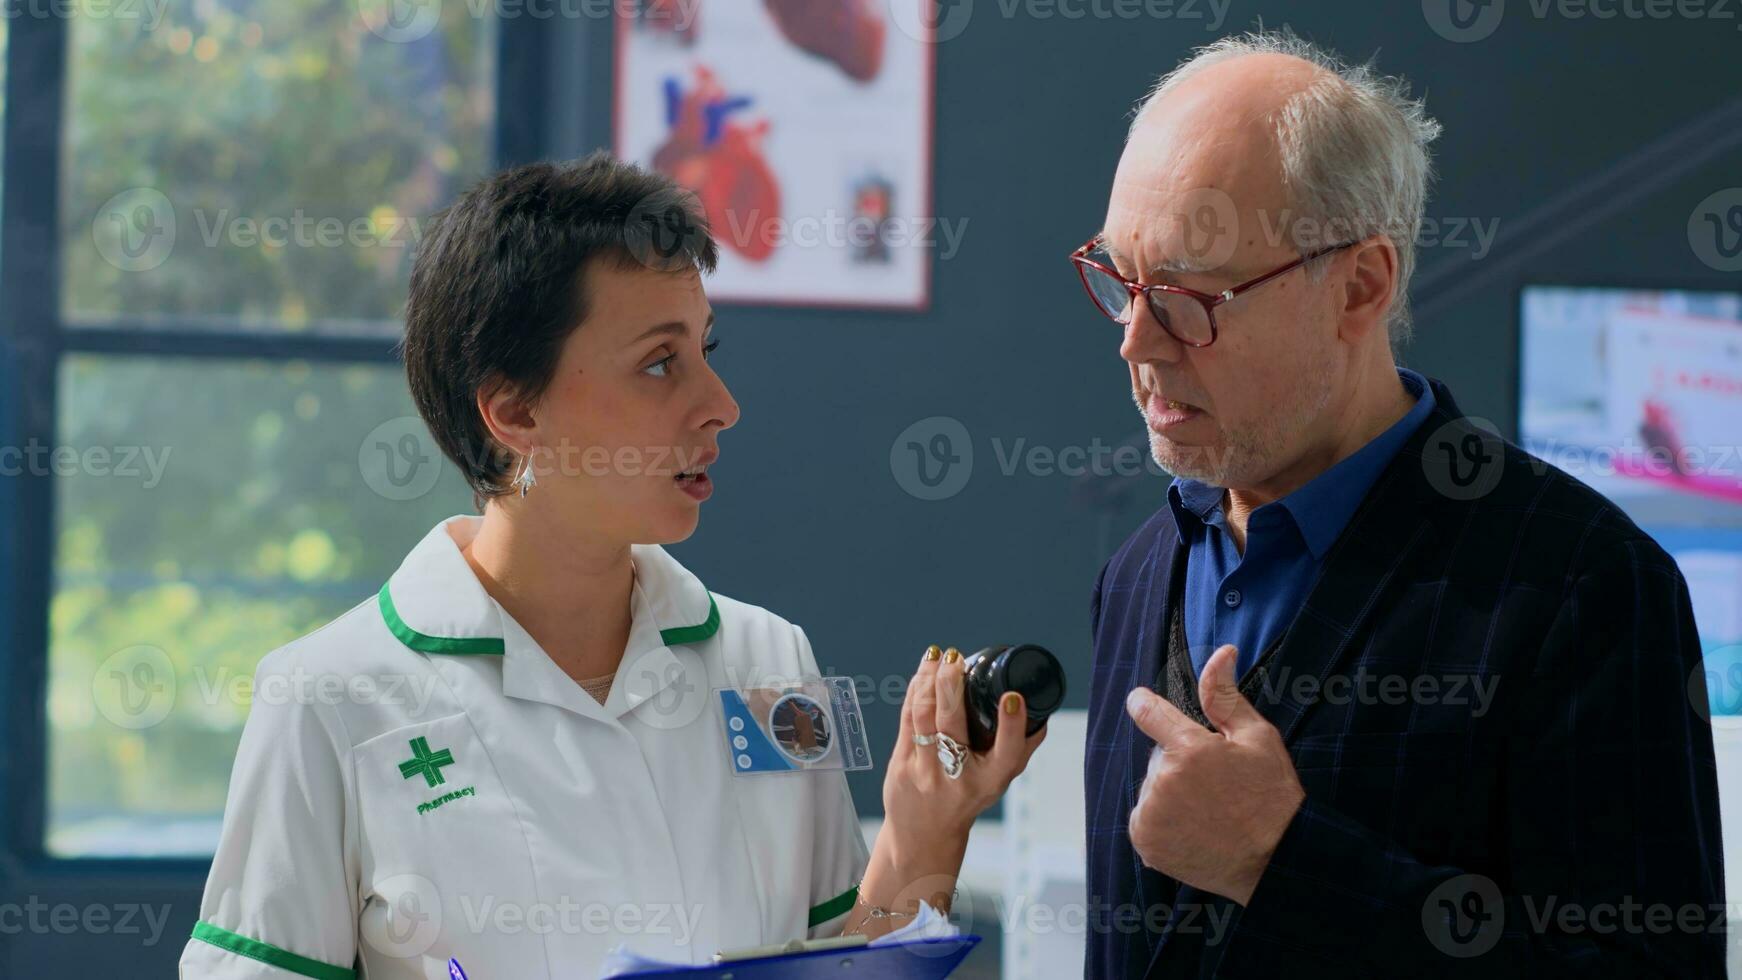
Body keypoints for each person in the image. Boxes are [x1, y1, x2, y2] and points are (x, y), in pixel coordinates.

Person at [179, 153, 1045, 979]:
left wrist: (926, 833)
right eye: (661, 362)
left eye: (710, 350)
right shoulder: (328, 700)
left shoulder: (770, 666)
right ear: (515, 410)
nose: (721, 406)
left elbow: (843, 960)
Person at [1077, 30, 1725, 977]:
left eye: (1186, 295)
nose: (1137, 342)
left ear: (1361, 284)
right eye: (1120, 281)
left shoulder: (1583, 587)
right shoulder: (1138, 573)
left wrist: (1284, 861)